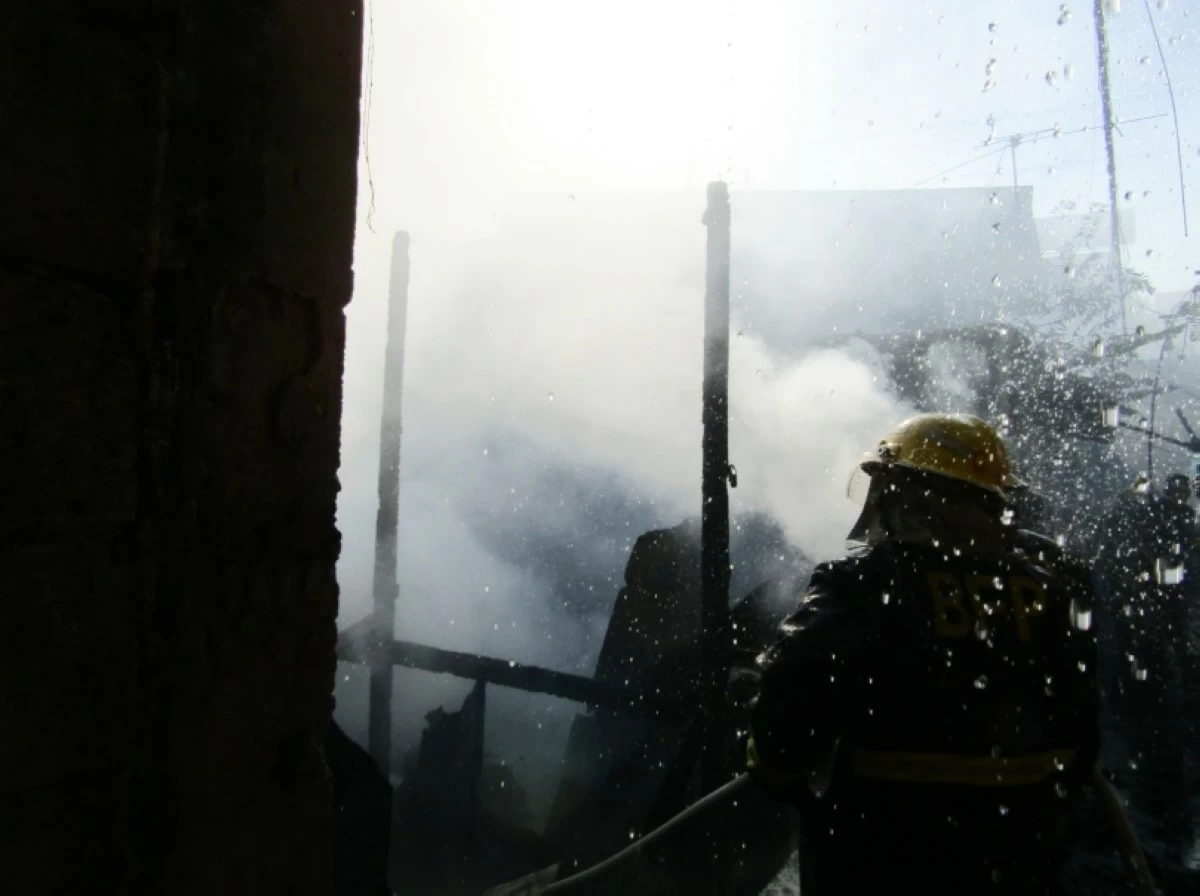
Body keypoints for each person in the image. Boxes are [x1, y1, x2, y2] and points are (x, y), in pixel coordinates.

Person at [744, 413, 1101, 895]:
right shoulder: (1051, 588)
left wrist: (776, 770)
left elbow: (791, 700)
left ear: (905, 492)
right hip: (1021, 846)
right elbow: (1082, 721)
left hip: (884, 847)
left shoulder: (864, 581)